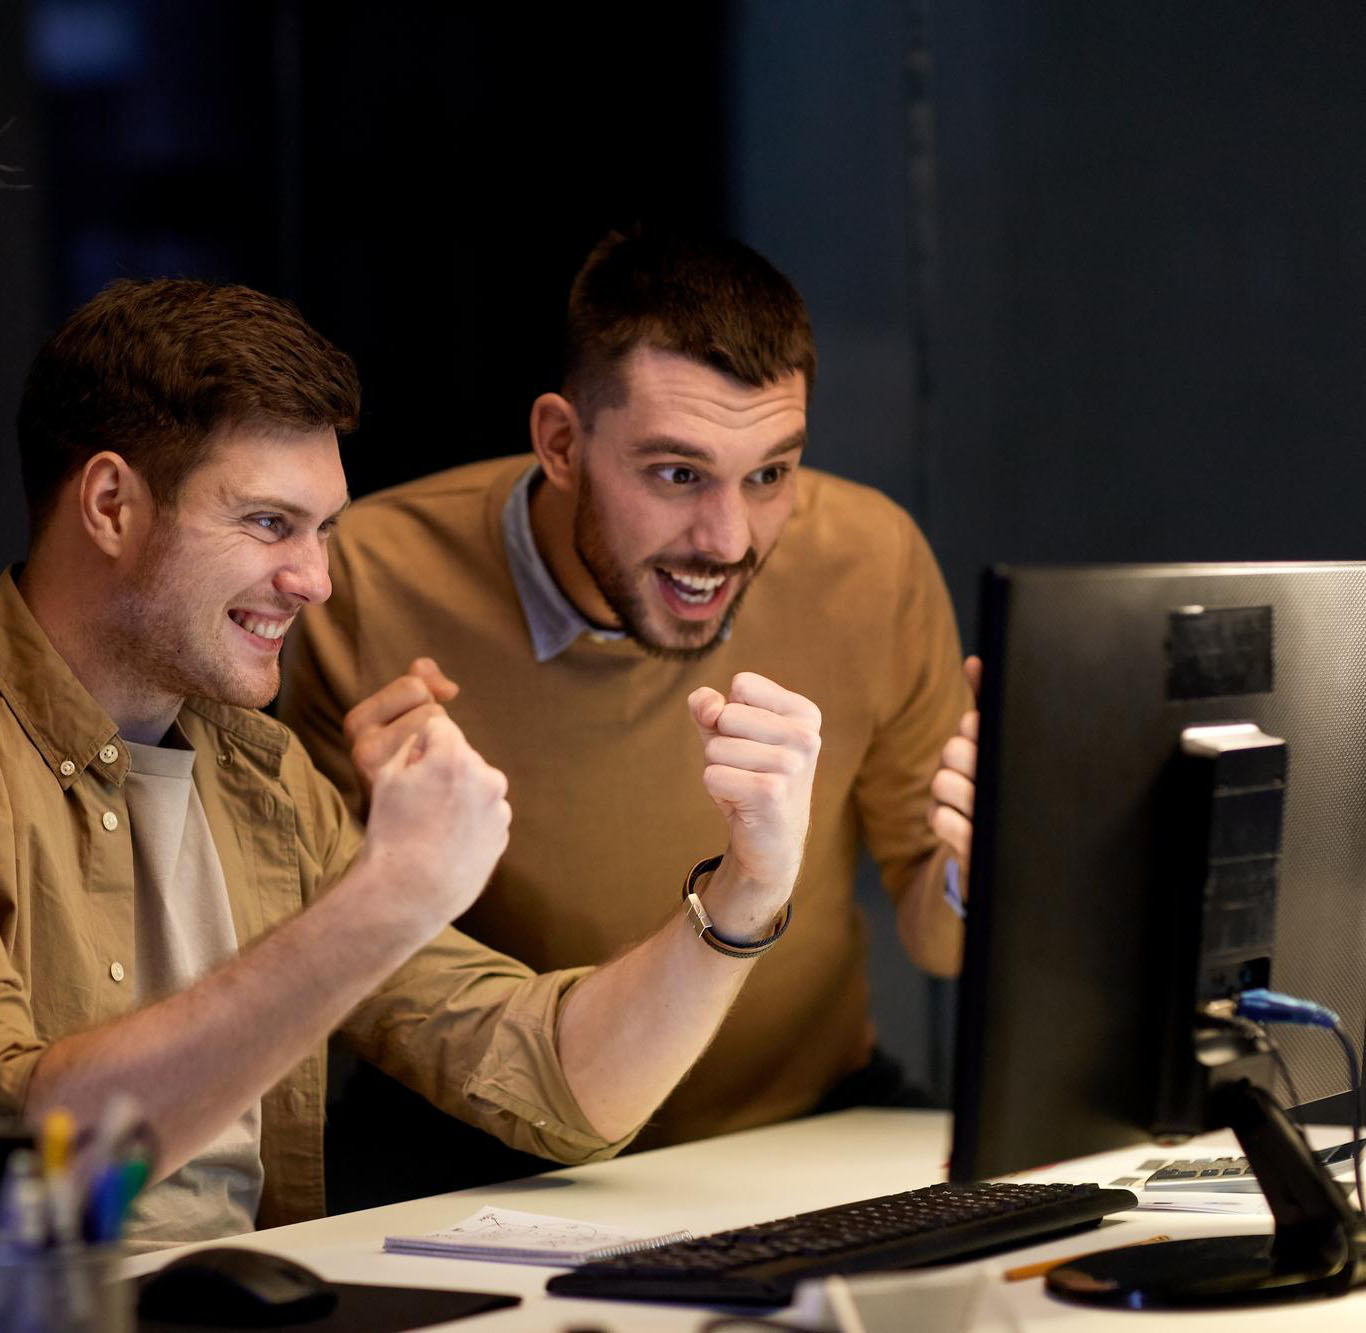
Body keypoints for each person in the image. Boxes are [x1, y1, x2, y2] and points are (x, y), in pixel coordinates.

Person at [0, 276, 822, 1249]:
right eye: (269, 523)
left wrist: (747, 886)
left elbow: (560, 1088)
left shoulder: (261, 777)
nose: (315, 579)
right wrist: (385, 900)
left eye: (323, 527)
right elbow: (33, 1165)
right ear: (109, 504)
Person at [278, 228, 979, 1198]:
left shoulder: (871, 557)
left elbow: (937, 936)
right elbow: (317, 976)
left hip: (806, 1123)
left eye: (771, 472)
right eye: (677, 475)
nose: (727, 539)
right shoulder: (357, 581)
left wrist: (978, 880)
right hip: (484, 1150)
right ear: (561, 444)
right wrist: (383, 851)